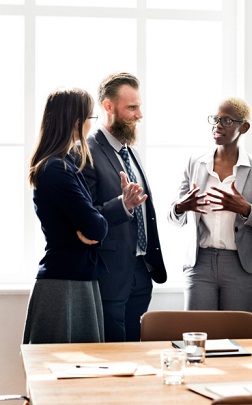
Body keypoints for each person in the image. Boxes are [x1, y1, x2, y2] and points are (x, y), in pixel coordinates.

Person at [168, 97, 252, 313]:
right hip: (200, 264)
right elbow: (174, 217)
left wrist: (244, 208)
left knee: (237, 337)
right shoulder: (195, 162)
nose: (217, 125)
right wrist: (180, 207)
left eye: (226, 121)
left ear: (243, 127)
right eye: (215, 119)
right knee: (198, 337)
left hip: (241, 265)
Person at [83, 72, 167, 342]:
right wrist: (123, 204)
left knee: (135, 351)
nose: (139, 114)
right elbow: (86, 218)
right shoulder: (86, 152)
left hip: (142, 270)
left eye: (139, 106)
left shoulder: (131, 152)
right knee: (113, 354)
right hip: (110, 273)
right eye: (132, 107)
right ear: (108, 107)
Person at [24, 88, 108, 344]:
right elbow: (96, 227)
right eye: (90, 117)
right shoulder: (56, 169)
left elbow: (93, 225)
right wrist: (94, 224)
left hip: (76, 279)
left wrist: (93, 224)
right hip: (64, 285)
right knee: (57, 373)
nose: (91, 125)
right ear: (75, 122)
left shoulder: (65, 164)